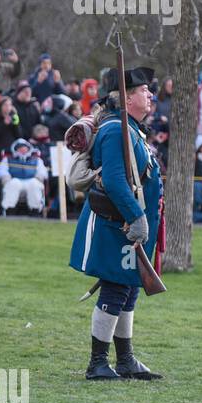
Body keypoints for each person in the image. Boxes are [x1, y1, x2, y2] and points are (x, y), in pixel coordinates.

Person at [69, 66, 163, 381]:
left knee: (129, 289)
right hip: (116, 224)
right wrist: (136, 216)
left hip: (128, 226)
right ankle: (97, 363)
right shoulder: (113, 130)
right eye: (142, 90)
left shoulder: (130, 128)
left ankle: (125, 360)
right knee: (115, 287)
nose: (150, 94)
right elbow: (113, 179)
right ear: (124, 97)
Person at [0, 137, 47, 215]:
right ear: (15, 149)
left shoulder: (36, 159)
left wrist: (39, 178)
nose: (23, 149)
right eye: (20, 148)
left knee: (35, 184)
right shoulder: (8, 159)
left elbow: (42, 171)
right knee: (13, 184)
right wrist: (6, 178)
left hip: (31, 180)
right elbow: (1, 170)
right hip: (15, 180)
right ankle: (9, 210)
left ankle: (35, 210)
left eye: (24, 147)